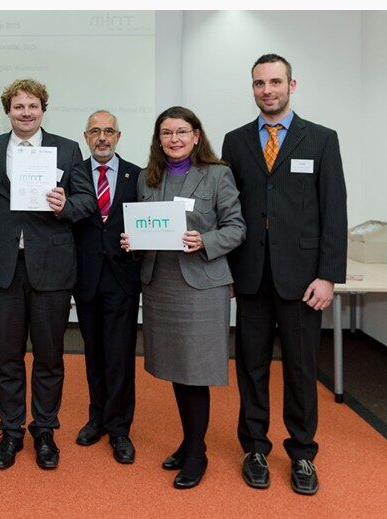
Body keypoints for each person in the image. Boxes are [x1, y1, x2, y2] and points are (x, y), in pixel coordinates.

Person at [222, 53, 347, 496]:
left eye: (275, 82)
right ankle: (254, 447)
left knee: (299, 369)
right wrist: (227, 269)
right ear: (252, 87)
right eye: (259, 83)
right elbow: (228, 210)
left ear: (292, 86)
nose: (267, 90)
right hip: (251, 276)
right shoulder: (235, 142)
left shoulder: (321, 140)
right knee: (251, 368)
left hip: (303, 280)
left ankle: (302, 455)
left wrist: (329, 275)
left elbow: (334, 211)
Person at [0, 78, 95, 470]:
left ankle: (44, 429)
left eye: (33, 106)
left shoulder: (67, 148)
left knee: (49, 355)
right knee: (6, 355)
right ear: (7, 111)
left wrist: (65, 205)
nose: (26, 113)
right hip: (2, 266)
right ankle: (10, 431)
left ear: (44, 109)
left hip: (52, 266)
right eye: (18, 106)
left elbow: (86, 201)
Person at [121, 106, 245, 489]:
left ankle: (197, 453)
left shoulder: (217, 174)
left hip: (202, 286)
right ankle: (190, 441)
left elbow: (236, 227)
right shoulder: (147, 178)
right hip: (161, 284)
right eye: (166, 133)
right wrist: (133, 241)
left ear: (195, 136)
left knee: (195, 372)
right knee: (177, 370)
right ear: (158, 140)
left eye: (181, 132)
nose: (173, 139)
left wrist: (204, 240)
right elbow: (146, 224)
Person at [72, 110, 142, 464]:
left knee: (120, 355)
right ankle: (97, 417)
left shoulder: (139, 176)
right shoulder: (74, 174)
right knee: (94, 353)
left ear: (118, 136)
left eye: (109, 131)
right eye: (95, 131)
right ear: (86, 137)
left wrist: (140, 241)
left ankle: (119, 428)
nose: (102, 137)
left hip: (122, 277)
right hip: (84, 278)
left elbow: (148, 223)